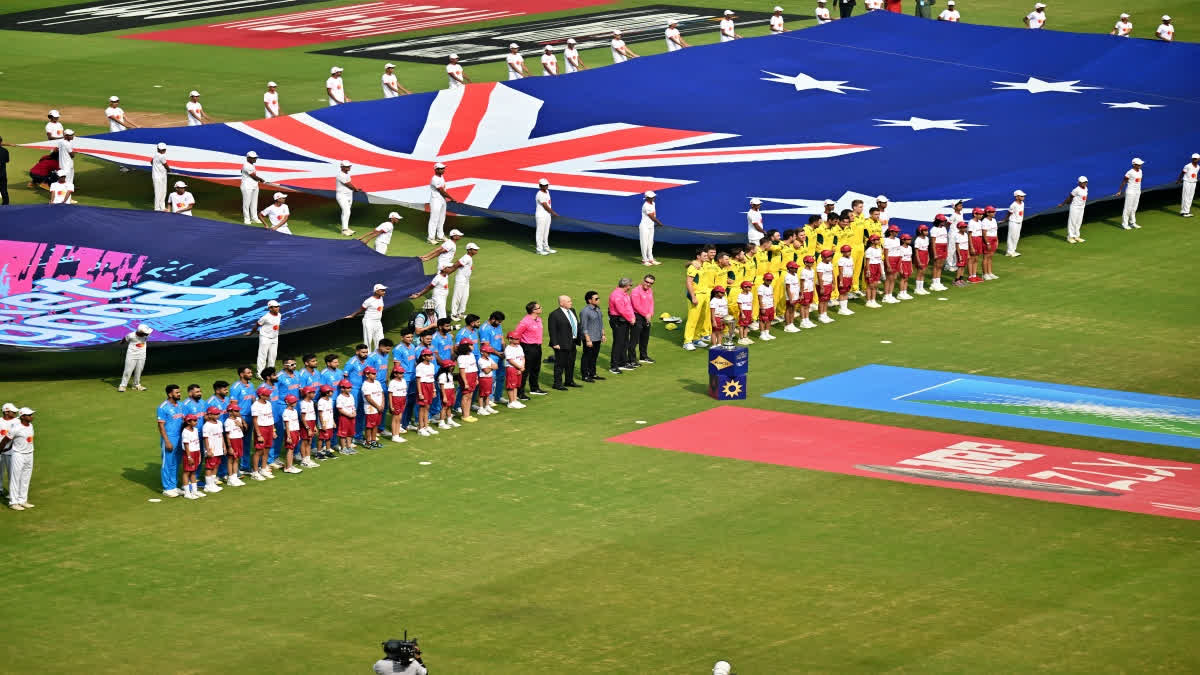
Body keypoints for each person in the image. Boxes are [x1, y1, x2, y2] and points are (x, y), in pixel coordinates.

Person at [547, 295, 581, 391]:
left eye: (571, 301)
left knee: (571, 362)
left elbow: (575, 324)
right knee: (560, 364)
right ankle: (557, 383)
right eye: (569, 301)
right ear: (562, 303)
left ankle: (569, 381)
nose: (571, 302)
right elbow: (552, 330)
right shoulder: (554, 314)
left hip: (572, 342)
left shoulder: (572, 311)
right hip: (561, 343)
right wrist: (555, 343)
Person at [156, 386, 185, 497]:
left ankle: (173, 486)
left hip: (179, 437)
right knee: (167, 463)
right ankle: (167, 488)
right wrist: (167, 441)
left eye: (179, 392)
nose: (179, 394)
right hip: (169, 438)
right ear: (169, 394)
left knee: (176, 463)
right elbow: (161, 426)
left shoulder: (181, 405)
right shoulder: (163, 407)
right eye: (177, 392)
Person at [514, 301, 546, 396]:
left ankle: (534, 388)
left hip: (537, 347)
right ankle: (520, 392)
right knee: (525, 370)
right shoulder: (525, 322)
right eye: (539, 307)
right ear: (533, 310)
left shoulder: (538, 319)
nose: (541, 308)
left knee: (536, 368)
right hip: (528, 347)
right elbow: (516, 334)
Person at [577, 291, 607, 382]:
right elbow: (584, 327)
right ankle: (585, 375)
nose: (598, 300)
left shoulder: (598, 309)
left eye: (598, 298)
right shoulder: (585, 311)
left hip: (597, 337)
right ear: (589, 300)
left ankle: (593, 373)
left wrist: (603, 334)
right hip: (589, 338)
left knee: (594, 356)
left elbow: (600, 323)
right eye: (596, 299)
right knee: (587, 356)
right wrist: (588, 340)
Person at [608, 279, 635, 373]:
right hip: (618, 321)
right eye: (630, 285)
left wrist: (632, 317)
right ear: (626, 285)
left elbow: (629, 307)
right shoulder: (616, 295)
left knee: (625, 342)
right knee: (618, 343)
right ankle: (614, 366)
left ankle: (622, 363)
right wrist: (630, 319)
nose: (630, 287)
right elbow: (621, 310)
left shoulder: (624, 294)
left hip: (624, 320)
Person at [118, 324, 153, 392]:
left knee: (139, 370)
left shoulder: (146, 334)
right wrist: (121, 343)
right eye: (145, 333)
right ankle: (122, 386)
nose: (147, 334)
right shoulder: (131, 335)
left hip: (142, 355)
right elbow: (124, 339)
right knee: (128, 371)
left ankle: (136, 385)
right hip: (131, 355)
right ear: (140, 332)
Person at [353, 283, 388, 351]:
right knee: (368, 339)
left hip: (378, 322)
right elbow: (361, 310)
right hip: (369, 321)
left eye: (384, 290)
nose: (384, 292)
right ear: (376, 291)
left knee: (380, 338)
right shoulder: (369, 301)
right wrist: (352, 315)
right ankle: (367, 356)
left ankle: (377, 354)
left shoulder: (381, 298)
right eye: (382, 290)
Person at [449, 243, 480, 321]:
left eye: (476, 249)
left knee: (465, 296)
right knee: (457, 297)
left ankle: (460, 313)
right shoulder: (466, 257)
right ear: (469, 250)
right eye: (475, 249)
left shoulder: (469, 258)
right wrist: (447, 273)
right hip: (460, 280)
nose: (476, 251)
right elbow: (456, 264)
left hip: (466, 280)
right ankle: (453, 314)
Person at [251, 300, 282, 377]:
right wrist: (252, 332)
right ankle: (260, 374)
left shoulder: (279, 315)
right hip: (265, 337)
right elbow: (257, 324)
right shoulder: (265, 317)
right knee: (263, 355)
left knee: (273, 355)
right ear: (270, 308)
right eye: (275, 307)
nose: (278, 308)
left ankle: (270, 372)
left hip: (275, 338)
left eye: (278, 306)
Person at [630, 275, 655, 363]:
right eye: (647, 282)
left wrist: (650, 314)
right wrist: (646, 315)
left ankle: (643, 356)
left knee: (645, 338)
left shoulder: (650, 290)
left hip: (647, 317)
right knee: (634, 339)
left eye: (650, 283)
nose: (648, 284)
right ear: (643, 281)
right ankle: (632, 359)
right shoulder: (635, 291)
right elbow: (636, 306)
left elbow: (651, 303)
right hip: (637, 316)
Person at [201, 407, 227, 493]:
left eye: (218, 413)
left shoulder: (219, 423)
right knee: (209, 467)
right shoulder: (206, 426)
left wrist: (224, 446)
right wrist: (208, 450)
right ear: (210, 415)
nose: (217, 415)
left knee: (216, 466)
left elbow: (221, 435)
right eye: (215, 414)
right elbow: (205, 439)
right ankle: (208, 485)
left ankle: (212, 483)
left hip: (219, 449)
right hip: (211, 450)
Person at [180, 414, 204, 499]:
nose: (196, 422)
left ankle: (194, 491)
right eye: (194, 421)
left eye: (196, 420)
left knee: (193, 471)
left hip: (196, 452)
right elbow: (186, 445)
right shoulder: (185, 432)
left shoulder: (196, 430)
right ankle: (187, 493)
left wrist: (199, 454)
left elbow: (197, 443)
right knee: (187, 472)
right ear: (188, 422)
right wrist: (189, 457)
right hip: (189, 454)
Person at [1058, 176, 1089, 244]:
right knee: (1072, 222)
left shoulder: (1086, 188)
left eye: (1086, 182)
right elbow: (1070, 197)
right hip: (1075, 207)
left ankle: (1076, 236)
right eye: (1083, 182)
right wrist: (1062, 204)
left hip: (1081, 208)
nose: (1085, 183)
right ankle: (1070, 237)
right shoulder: (1076, 190)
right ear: (1079, 183)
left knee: (1078, 222)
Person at [335, 160, 362, 236]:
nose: (349, 167)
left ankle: (346, 228)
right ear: (342, 167)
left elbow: (349, 184)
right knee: (347, 212)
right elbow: (348, 184)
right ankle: (344, 230)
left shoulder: (347, 174)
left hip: (349, 195)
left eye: (349, 166)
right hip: (342, 196)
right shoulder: (340, 175)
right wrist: (355, 189)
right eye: (347, 166)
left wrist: (355, 189)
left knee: (346, 212)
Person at [427, 162, 452, 243]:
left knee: (442, 218)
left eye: (444, 168)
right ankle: (430, 238)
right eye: (441, 168)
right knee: (434, 219)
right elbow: (441, 191)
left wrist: (446, 198)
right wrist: (451, 198)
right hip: (436, 200)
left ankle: (440, 236)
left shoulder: (441, 177)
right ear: (436, 169)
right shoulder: (434, 179)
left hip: (442, 200)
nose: (443, 170)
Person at [454, 343, 480, 421]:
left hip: (473, 375)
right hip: (467, 376)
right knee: (465, 396)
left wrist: (476, 378)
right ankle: (464, 415)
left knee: (470, 396)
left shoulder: (471, 355)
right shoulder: (461, 357)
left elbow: (474, 367)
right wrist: (465, 382)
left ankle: (467, 414)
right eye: (470, 345)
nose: (473, 346)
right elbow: (462, 370)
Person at [1117, 157, 1144, 230]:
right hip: (1130, 191)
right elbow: (1124, 181)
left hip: (1137, 191)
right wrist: (1120, 191)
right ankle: (1124, 224)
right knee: (1128, 208)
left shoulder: (1141, 171)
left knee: (1134, 207)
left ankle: (1132, 222)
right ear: (1134, 165)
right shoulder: (1130, 172)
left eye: (1140, 164)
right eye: (1139, 164)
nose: (1140, 165)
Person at [360, 367, 385, 447]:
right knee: (369, 426)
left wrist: (382, 404)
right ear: (367, 375)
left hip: (379, 407)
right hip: (370, 408)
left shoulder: (377, 382)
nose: (375, 375)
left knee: (376, 425)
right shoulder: (365, 385)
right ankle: (368, 441)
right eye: (373, 373)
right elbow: (368, 398)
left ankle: (373, 440)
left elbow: (382, 394)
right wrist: (378, 406)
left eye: (375, 373)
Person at [223, 404, 248, 481]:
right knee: (231, 459)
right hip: (232, 441)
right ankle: (230, 478)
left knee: (237, 459)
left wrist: (241, 426)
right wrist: (229, 447)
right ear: (230, 412)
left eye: (238, 411)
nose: (238, 412)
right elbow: (227, 435)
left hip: (239, 440)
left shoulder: (239, 419)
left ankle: (235, 476)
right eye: (236, 411)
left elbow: (242, 432)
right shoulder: (228, 422)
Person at [639, 191, 664, 266]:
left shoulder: (653, 203)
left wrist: (654, 224)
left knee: (650, 243)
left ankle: (651, 259)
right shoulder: (646, 206)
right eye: (651, 197)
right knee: (644, 243)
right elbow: (651, 216)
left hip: (651, 226)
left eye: (653, 197)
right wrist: (658, 223)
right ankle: (644, 260)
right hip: (644, 226)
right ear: (647, 198)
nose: (653, 198)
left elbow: (654, 215)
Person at [502, 333, 527, 409]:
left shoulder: (519, 347)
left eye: (518, 339)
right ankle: (511, 402)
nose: (518, 340)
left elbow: (522, 357)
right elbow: (510, 360)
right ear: (510, 339)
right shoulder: (508, 349)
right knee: (511, 385)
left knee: (516, 385)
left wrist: (522, 366)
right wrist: (519, 367)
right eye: (516, 339)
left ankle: (515, 400)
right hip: (511, 368)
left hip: (519, 368)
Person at [297, 387, 320, 466]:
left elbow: (312, 415)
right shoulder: (303, 403)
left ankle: (308, 459)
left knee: (309, 442)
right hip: (306, 424)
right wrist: (308, 428)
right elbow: (303, 418)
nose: (314, 394)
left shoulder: (311, 402)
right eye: (313, 393)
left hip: (312, 423)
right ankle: (303, 460)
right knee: (304, 442)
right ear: (307, 393)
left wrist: (314, 427)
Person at [535, 178, 559, 255]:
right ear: (540, 186)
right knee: (540, 232)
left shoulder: (547, 192)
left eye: (547, 185)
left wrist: (550, 213)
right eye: (544, 185)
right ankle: (539, 250)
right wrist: (553, 212)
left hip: (547, 215)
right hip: (541, 215)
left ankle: (546, 247)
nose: (546, 186)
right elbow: (545, 205)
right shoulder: (539, 194)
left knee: (546, 232)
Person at [335, 380, 358, 452]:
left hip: (352, 417)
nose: (349, 389)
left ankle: (349, 446)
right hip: (344, 418)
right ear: (342, 388)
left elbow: (353, 406)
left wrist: (354, 412)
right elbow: (340, 409)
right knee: (343, 433)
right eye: (347, 388)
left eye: (350, 387)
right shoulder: (340, 397)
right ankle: (343, 448)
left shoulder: (351, 396)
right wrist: (348, 415)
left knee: (350, 433)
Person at [387, 365, 409, 441]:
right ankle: (394, 435)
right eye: (400, 373)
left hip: (402, 399)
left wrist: (404, 401)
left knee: (399, 418)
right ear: (395, 374)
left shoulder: (404, 381)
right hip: (395, 399)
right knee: (395, 418)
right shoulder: (392, 382)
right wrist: (391, 405)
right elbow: (390, 394)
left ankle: (397, 434)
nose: (402, 374)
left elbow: (404, 391)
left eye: (402, 373)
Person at [476, 345, 500, 414]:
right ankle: (480, 408)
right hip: (483, 378)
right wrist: (491, 367)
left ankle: (487, 406)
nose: (489, 354)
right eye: (487, 352)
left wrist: (489, 367)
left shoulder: (489, 359)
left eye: (490, 352)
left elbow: (496, 366)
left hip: (489, 378)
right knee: (482, 394)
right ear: (482, 352)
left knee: (488, 393)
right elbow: (486, 371)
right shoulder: (481, 360)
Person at [436, 360, 459, 429]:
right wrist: (444, 396)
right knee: (444, 407)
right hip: (446, 392)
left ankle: (449, 420)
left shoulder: (449, 374)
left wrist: (453, 392)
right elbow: (442, 386)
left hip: (450, 391)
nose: (452, 367)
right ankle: (442, 422)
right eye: (450, 366)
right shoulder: (442, 375)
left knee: (449, 406)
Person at [315, 385, 336, 458]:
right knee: (321, 438)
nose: (332, 392)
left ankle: (328, 451)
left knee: (328, 437)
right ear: (327, 393)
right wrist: (323, 424)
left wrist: (333, 422)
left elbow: (331, 412)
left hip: (330, 422)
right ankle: (318, 452)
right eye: (331, 391)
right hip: (324, 423)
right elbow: (320, 414)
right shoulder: (321, 401)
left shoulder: (330, 400)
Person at [1004, 190, 1026, 256]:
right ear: (1016, 197)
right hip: (1013, 222)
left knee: (1016, 236)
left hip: (1019, 222)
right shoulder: (1013, 205)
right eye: (1021, 196)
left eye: (1023, 196)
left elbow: (1021, 212)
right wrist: (1006, 219)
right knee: (1011, 236)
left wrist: (1021, 219)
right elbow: (1009, 213)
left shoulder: (1023, 203)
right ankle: (1009, 252)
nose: (1023, 197)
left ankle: (1013, 251)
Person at [816, 249, 836, 323]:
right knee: (822, 301)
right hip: (822, 285)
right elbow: (820, 277)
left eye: (831, 256)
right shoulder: (820, 266)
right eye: (829, 257)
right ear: (823, 257)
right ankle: (821, 316)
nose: (830, 258)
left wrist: (833, 283)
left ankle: (825, 314)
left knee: (826, 300)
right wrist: (821, 287)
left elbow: (832, 274)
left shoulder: (830, 264)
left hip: (828, 284)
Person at [980, 206, 1000, 280]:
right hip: (988, 239)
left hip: (994, 239)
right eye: (992, 212)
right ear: (987, 213)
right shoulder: (984, 221)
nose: (994, 213)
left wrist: (997, 240)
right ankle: (985, 274)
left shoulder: (994, 220)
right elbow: (984, 233)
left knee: (990, 257)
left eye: (994, 211)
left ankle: (990, 272)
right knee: (986, 257)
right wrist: (987, 243)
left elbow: (995, 231)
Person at [836, 244, 856, 314]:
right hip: (843, 278)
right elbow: (840, 271)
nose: (849, 252)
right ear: (843, 252)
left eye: (850, 251)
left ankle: (845, 308)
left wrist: (852, 278)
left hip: (849, 277)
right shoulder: (841, 260)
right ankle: (842, 309)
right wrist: (841, 281)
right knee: (842, 293)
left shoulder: (851, 258)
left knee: (846, 292)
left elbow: (852, 269)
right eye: (847, 251)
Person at [756, 273, 777, 340]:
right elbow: (760, 298)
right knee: (762, 320)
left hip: (770, 306)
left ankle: (767, 333)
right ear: (764, 279)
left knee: (769, 320)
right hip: (764, 307)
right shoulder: (761, 288)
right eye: (767, 280)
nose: (769, 281)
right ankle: (762, 334)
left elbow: (772, 296)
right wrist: (762, 307)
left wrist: (773, 306)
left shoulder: (770, 287)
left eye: (770, 280)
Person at [1178, 153, 1199, 217]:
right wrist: (1179, 180)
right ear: (1192, 159)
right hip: (1187, 182)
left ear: (1198, 159)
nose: (1195, 160)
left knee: (1190, 197)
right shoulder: (1187, 166)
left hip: (1194, 182)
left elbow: (1195, 174)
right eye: (1194, 159)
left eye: (1196, 159)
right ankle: (1184, 212)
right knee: (1185, 196)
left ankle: (1187, 211)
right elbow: (1182, 173)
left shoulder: (1198, 167)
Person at [151, 142, 169, 211]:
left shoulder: (155, 155)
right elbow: (166, 165)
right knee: (158, 192)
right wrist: (170, 170)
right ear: (158, 149)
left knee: (163, 191)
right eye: (162, 149)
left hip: (162, 175)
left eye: (164, 149)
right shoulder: (162, 156)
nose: (163, 150)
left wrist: (156, 167)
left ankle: (162, 207)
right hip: (158, 177)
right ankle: (157, 208)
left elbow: (151, 162)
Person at [913, 225, 931, 295]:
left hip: (925, 255)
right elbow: (916, 251)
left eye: (927, 230)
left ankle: (921, 288)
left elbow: (927, 248)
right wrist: (918, 261)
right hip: (920, 256)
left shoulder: (926, 238)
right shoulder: (918, 240)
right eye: (925, 231)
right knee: (919, 272)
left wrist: (928, 256)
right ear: (920, 231)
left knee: (923, 272)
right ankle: (917, 289)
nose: (927, 232)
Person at [0, 136, 8, 206]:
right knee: (4, 190)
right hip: (2, 174)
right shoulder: (5, 151)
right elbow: (7, 160)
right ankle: (6, 205)